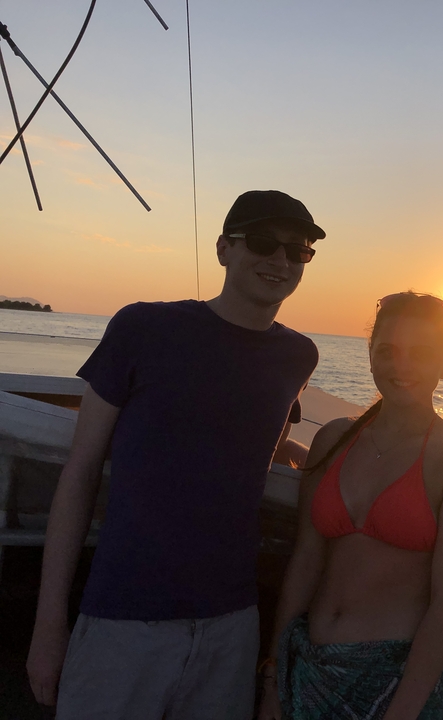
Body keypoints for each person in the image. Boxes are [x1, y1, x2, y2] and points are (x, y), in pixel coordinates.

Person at [26, 190, 324, 719]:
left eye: (297, 252)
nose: (279, 260)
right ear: (223, 249)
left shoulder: (299, 355)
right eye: (262, 242)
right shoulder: (142, 328)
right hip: (121, 618)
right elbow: (81, 471)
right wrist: (49, 623)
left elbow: (260, 443)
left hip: (232, 624)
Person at [258, 292, 443, 720]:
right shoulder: (333, 439)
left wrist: (401, 711)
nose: (401, 366)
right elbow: (306, 561)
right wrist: (273, 677)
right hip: (308, 669)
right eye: (387, 350)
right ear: (370, 356)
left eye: (421, 354)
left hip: (395, 679)